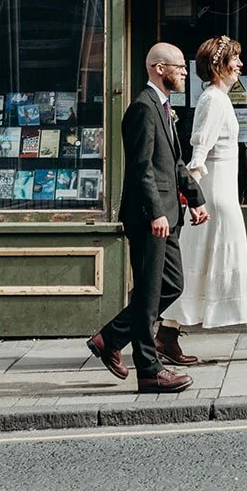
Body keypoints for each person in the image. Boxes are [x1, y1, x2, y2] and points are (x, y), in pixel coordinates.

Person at [157, 36, 247, 364]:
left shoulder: (218, 98)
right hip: (215, 196)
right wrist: (194, 197)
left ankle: (166, 335)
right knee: (232, 263)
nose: (240, 65)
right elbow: (200, 149)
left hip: (217, 193)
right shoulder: (214, 100)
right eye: (234, 60)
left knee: (200, 264)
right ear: (219, 66)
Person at [86, 42, 209, 393]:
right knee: (149, 291)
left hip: (169, 216)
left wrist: (195, 198)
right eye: (179, 67)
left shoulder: (163, 107)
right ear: (158, 68)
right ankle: (149, 369)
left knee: (169, 286)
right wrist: (156, 211)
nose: (185, 72)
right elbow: (141, 169)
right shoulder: (143, 108)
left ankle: (109, 338)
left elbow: (172, 164)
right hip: (149, 218)